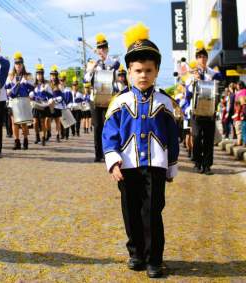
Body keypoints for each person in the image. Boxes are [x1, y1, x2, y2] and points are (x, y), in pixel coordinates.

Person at [102, 23, 179, 278]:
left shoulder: (165, 102)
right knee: (131, 211)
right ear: (128, 72)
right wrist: (113, 161)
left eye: (148, 70)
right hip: (128, 166)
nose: (143, 75)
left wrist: (171, 165)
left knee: (153, 212)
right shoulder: (119, 101)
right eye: (138, 70)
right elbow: (109, 133)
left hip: (156, 166)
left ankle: (154, 258)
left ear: (157, 71)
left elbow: (172, 136)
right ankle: (135, 252)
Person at [187, 40, 223, 174]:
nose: (202, 59)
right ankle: (197, 163)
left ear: (207, 58)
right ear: (196, 59)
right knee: (196, 138)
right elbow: (188, 94)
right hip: (196, 112)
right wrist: (194, 80)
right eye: (199, 57)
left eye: (204, 56)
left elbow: (218, 86)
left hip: (210, 112)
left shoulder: (212, 74)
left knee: (208, 140)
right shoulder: (191, 74)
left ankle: (207, 165)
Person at [84, 32, 120, 162]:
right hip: (96, 99)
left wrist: (105, 58)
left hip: (109, 99)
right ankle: (97, 153)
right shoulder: (93, 63)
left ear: (107, 49)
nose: (101, 50)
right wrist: (91, 69)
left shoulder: (113, 61)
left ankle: (107, 152)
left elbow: (117, 69)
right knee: (97, 126)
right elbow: (86, 79)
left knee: (107, 126)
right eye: (99, 48)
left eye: (104, 48)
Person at [5, 52, 34, 150]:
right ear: (14, 65)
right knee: (14, 122)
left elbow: (32, 89)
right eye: (16, 64)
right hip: (13, 101)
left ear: (23, 64)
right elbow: (6, 88)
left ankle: (25, 140)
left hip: (23, 101)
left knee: (23, 123)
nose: (18, 65)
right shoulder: (10, 76)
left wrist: (26, 86)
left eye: (20, 64)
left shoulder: (28, 76)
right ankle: (16, 141)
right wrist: (8, 92)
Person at [30, 64, 53, 146]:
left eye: (40, 74)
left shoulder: (46, 84)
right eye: (38, 74)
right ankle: (37, 137)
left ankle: (43, 137)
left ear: (43, 75)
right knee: (35, 122)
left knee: (43, 122)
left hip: (44, 105)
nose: (39, 75)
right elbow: (31, 95)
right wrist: (31, 95)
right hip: (36, 105)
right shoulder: (34, 85)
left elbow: (50, 95)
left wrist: (50, 100)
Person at [48, 65, 63, 143]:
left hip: (57, 106)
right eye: (52, 75)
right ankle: (48, 133)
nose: (53, 77)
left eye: (54, 75)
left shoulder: (59, 85)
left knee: (57, 121)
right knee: (48, 120)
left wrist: (56, 100)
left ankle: (57, 135)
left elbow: (62, 96)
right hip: (50, 106)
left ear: (56, 76)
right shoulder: (48, 84)